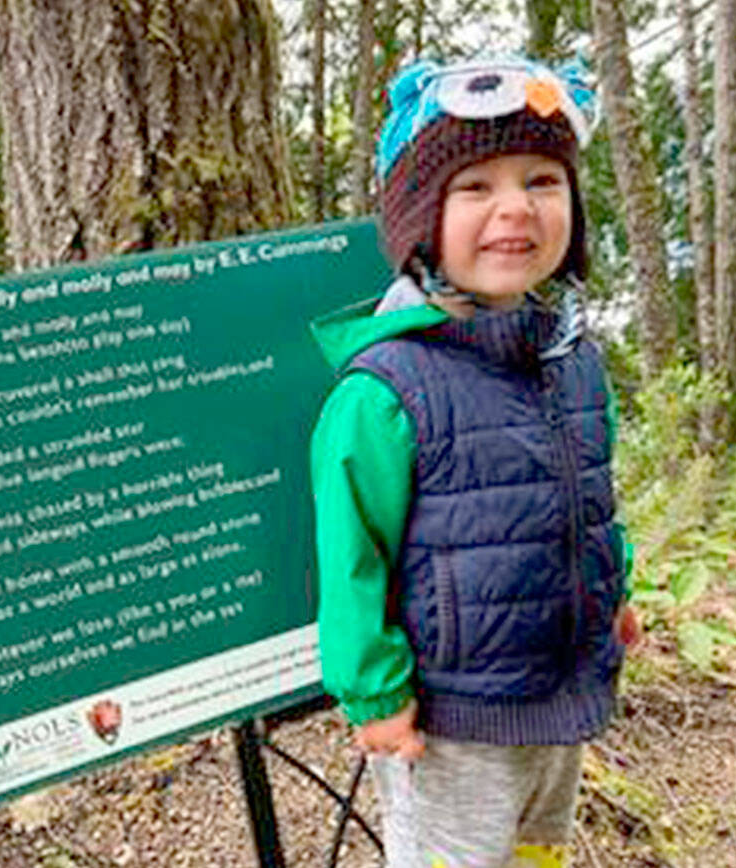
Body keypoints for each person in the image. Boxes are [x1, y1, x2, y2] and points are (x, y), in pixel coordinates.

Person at [309, 56, 640, 868]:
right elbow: (352, 558)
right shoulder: (385, 391)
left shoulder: (573, 359)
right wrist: (374, 692)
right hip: (453, 721)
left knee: (538, 848)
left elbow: (591, 495)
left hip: (560, 691)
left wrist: (616, 591)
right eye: (475, 187)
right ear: (422, 218)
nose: (515, 207)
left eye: (542, 180)